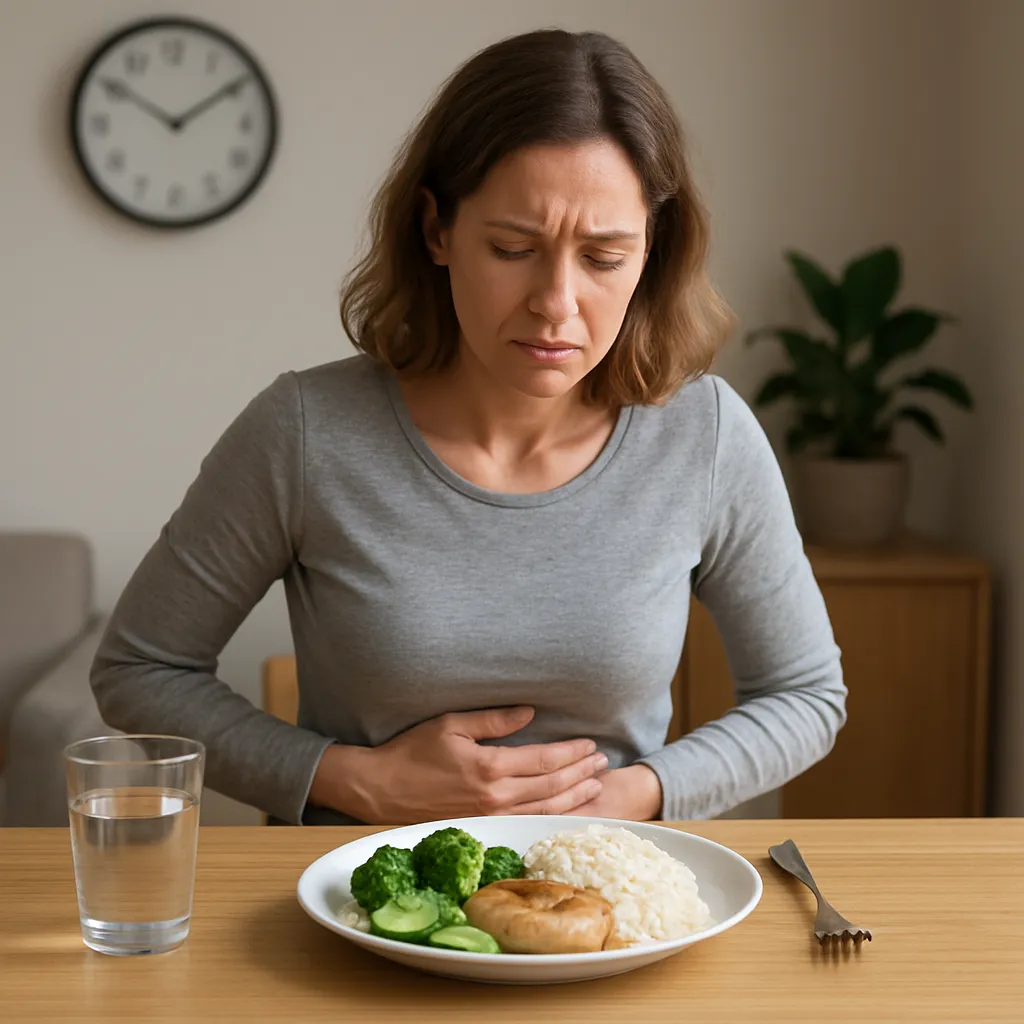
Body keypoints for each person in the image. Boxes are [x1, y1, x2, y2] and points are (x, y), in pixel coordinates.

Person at [91, 29, 846, 827]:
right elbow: (141, 669)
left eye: (604, 257)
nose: (557, 303)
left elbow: (805, 694)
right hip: (349, 905)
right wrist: (351, 779)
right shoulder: (304, 433)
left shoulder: (707, 436)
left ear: (651, 252)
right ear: (436, 230)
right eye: (514, 247)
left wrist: (639, 794)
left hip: (602, 906)